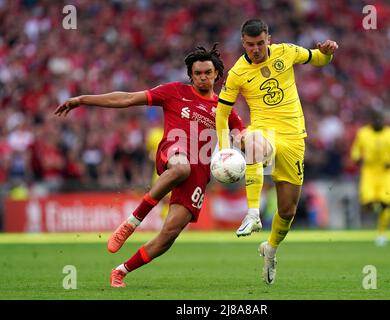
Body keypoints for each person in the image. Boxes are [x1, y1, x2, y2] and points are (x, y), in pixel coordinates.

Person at [55, 44, 245, 287]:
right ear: (191, 75)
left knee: (169, 235)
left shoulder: (223, 107)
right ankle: (132, 222)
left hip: (200, 173)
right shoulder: (175, 91)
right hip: (174, 151)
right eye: (197, 73)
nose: (203, 77)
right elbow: (127, 98)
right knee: (180, 168)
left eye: (207, 72)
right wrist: (82, 99)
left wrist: (246, 142)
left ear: (217, 74)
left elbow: (241, 133)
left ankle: (120, 271)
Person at [215, 19, 338, 284]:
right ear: (242, 43)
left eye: (260, 43)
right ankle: (252, 214)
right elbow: (222, 113)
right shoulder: (237, 72)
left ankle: (270, 248)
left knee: (288, 210)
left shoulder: (287, 52)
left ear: (268, 38)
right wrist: (224, 150)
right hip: (263, 131)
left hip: (294, 137)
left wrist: (327, 53)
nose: (256, 49)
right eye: (250, 45)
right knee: (254, 144)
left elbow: (318, 59)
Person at [351, 108, 390, 246]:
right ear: (371, 120)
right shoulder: (363, 133)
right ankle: (373, 207)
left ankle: (382, 234)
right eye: (375, 118)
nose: (378, 121)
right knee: (367, 202)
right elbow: (355, 150)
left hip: (386, 174)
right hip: (369, 173)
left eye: (380, 118)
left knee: (386, 204)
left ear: (384, 120)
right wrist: (357, 157)